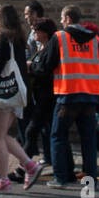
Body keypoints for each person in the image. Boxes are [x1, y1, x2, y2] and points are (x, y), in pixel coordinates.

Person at [39, 5, 99, 188]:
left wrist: (34, 67)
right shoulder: (95, 40)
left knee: (58, 136)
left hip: (67, 96)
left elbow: (46, 66)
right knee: (89, 139)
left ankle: (60, 178)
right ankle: (91, 180)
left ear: (68, 18)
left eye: (62, 18)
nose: (60, 22)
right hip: (90, 97)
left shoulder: (59, 37)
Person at [0, 5, 42, 192]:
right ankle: (30, 165)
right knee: (3, 135)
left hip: (1, 94)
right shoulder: (19, 39)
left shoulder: (4, 39)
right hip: (15, 94)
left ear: (3, 18)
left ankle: (3, 180)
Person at [23, 18, 58, 162]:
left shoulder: (50, 49)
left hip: (47, 97)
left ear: (44, 33)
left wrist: (31, 67)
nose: (33, 33)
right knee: (50, 131)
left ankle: (24, 165)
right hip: (39, 96)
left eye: (35, 30)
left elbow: (46, 70)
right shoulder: (41, 49)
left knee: (31, 131)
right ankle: (52, 159)